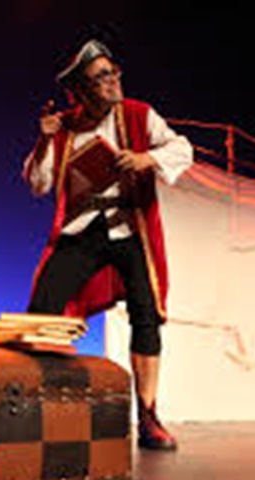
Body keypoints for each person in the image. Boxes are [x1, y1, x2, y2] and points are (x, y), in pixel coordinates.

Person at [22, 39, 193, 451]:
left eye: (113, 71)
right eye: (101, 76)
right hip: (84, 230)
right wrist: (44, 141)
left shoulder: (138, 114)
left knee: (146, 313)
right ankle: (40, 411)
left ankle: (148, 415)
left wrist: (146, 159)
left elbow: (181, 148)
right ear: (81, 90)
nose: (113, 79)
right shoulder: (63, 127)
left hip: (129, 229)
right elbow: (38, 184)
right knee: (43, 307)